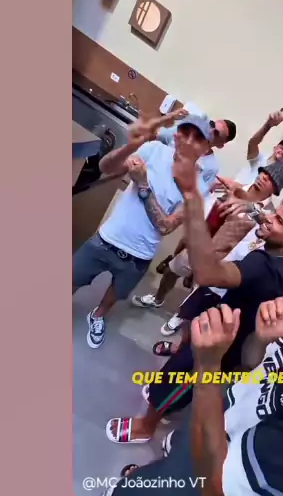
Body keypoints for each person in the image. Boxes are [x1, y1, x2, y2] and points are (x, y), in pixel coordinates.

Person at [100, 245, 283, 496]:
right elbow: (251, 368)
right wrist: (263, 339)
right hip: (212, 432)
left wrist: (208, 365)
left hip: (211, 484)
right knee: (146, 479)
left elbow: (217, 490)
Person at [105, 138, 283, 444]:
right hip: (227, 330)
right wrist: (252, 208)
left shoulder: (262, 265)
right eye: (275, 213)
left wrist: (193, 206)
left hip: (220, 345)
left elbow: (208, 273)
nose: (269, 218)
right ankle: (165, 400)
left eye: (279, 220)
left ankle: (146, 427)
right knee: (179, 372)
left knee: (179, 380)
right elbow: (259, 213)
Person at [72, 113, 214, 348]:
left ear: (207, 147)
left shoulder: (199, 188)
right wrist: (131, 146)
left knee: (116, 293)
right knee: (72, 277)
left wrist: (144, 185)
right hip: (107, 238)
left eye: (198, 138)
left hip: (139, 256)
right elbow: (106, 167)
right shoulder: (154, 150)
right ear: (176, 135)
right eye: (185, 132)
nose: (189, 141)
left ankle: (97, 315)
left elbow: (166, 225)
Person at [131, 161, 283, 316]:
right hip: (201, 242)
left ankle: (179, 319)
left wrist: (252, 210)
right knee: (171, 271)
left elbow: (262, 225)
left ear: (275, 189)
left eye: (270, 179)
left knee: (196, 296)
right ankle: (157, 299)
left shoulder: (268, 214)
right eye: (264, 173)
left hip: (221, 259)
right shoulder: (235, 188)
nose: (264, 177)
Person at [234, 107, 283, 187]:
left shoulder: (281, 173)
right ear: (275, 148)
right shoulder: (260, 158)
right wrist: (268, 125)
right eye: (282, 148)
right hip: (235, 190)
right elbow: (253, 143)